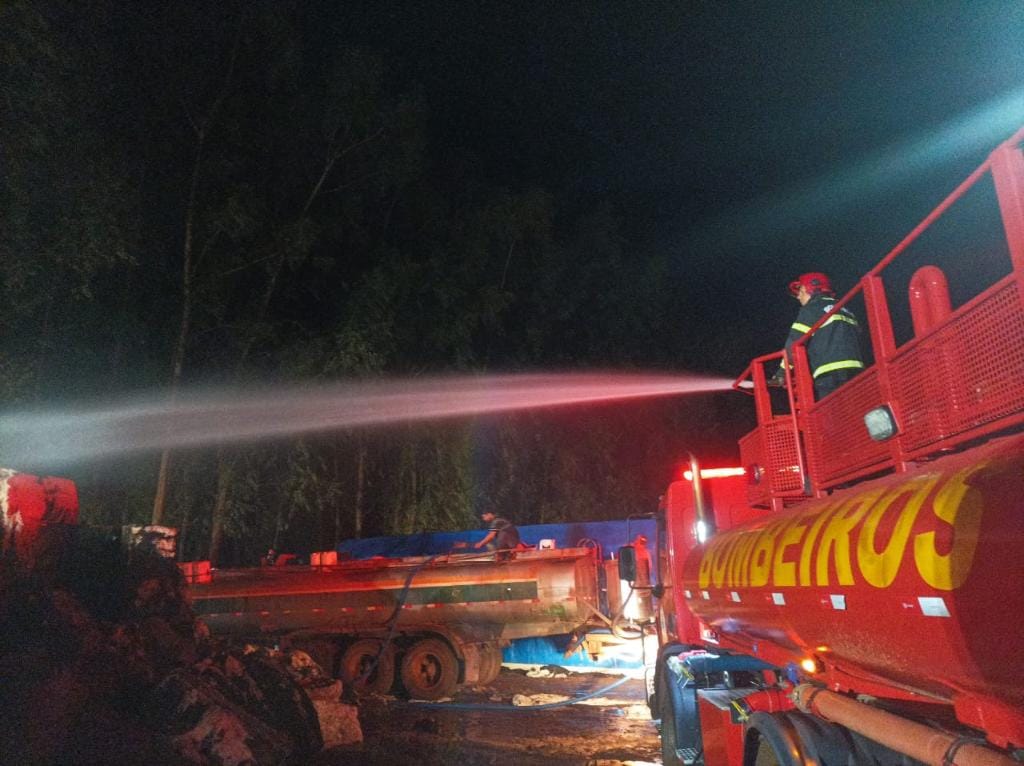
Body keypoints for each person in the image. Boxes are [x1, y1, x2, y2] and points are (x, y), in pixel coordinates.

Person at [773, 272, 864, 399]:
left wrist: (782, 373)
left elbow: (794, 342)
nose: (799, 297)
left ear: (807, 289)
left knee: (834, 415)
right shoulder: (845, 309)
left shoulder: (812, 308)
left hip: (829, 375)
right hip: (857, 371)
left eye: (800, 292)